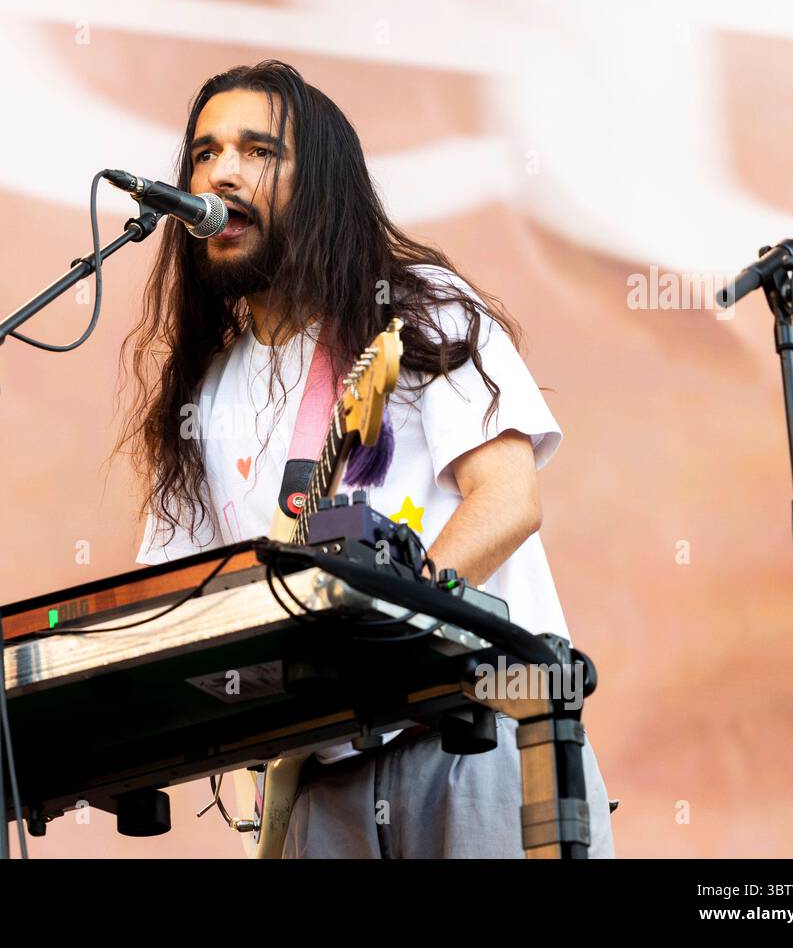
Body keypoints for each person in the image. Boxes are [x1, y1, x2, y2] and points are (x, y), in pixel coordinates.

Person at [117, 60, 614, 858]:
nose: (223, 172)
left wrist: (406, 627)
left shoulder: (418, 310)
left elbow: (508, 500)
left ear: (321, 184)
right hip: (320, 776)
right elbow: (178, 599)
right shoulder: (206, 393)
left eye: (258, 150)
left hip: (472, 734)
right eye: (205, 154)